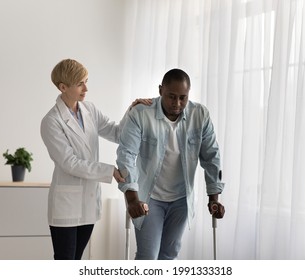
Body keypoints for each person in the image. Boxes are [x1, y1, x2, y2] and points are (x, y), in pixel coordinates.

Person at [40, 58, 151, 260]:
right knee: (65, 261)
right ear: (63, 87)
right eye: (80, 83)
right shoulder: (51, 121)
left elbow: (117, 133)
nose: (86, 88)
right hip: (66, 206)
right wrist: (109, 171)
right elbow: (69, 163)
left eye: (86, 81)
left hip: (88, 202)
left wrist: (132, 110)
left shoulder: (89, 109)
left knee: (77, 259)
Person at [116, 68, 225, 260]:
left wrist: (214, 198)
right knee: (148, 257)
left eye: (183, 98)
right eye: (171, 97)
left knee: (168, 256)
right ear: (160, 90)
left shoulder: (200, 115)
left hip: (181, 199)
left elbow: (211, 156)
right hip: (149, 198)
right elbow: (126, 155)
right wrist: (132, 198)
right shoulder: (141, 113)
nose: (177, 103)